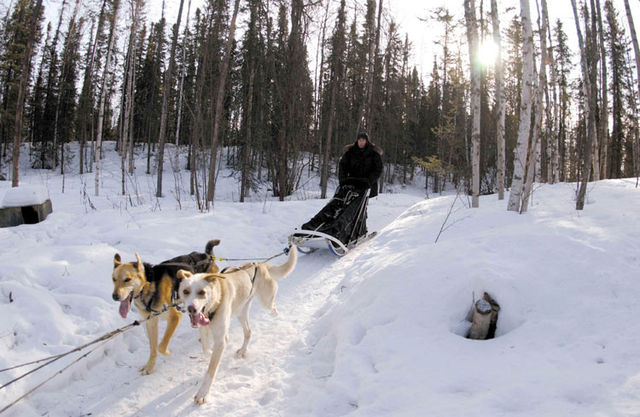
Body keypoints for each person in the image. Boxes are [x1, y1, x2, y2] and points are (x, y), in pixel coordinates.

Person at [339, 132, 383, 197]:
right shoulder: (350, 152)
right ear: (357, 141)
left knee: (362, 205)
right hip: (352, 183)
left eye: (363, 140)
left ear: (366, 141)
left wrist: (369, 181)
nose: (361, 142)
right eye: (359, 140)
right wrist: (343, 181)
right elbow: (343, 166)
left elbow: (378, 169)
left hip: (368, 185)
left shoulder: (374, 153)